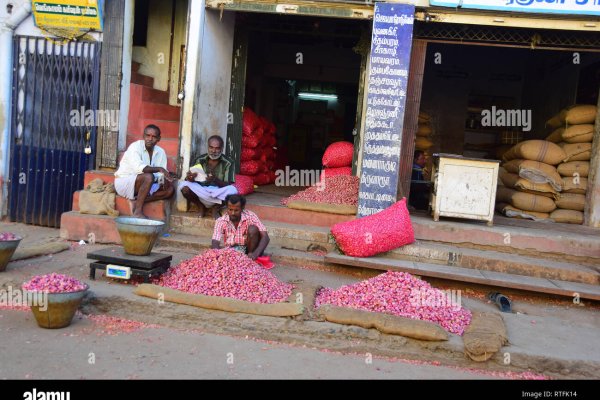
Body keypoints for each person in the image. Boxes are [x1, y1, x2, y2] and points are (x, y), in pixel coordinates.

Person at [114, 124, 175, 218]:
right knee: (148, 176)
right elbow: (140, 169)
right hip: (124, 182)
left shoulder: (161, 152)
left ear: (159, 139)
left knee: (170, 190)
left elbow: (160, 175)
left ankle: (136, 202)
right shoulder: (135, 147)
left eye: (154, 137)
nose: (150, 139)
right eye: (148, 135)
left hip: (145, 185)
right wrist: (160, 169)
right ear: (143, 136)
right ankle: (138, 212)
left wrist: (164, 181)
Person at [179, 135, 238, 219]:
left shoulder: (229, 162)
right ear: (208, 147)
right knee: (185, 187)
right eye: (211, 147)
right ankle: (200, 206)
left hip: (218, 192)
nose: (213, 151)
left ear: (222, 148)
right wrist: (190, 178)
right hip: (201, 191)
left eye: (217, 148)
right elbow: (189, 179)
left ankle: (216, 208)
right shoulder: (199, 159)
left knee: (233, 190)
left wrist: (215, 180)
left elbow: (228, 185)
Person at [211, 194, 269, 260]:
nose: (232, 213)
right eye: (230, 209)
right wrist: (217, 255)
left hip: (250, 249)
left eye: (236, 210)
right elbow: (215, 240)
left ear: (242, 208)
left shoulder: (250, 216)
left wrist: (255, 254)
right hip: (232, 249)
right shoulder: (221, 221)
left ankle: (250, 256)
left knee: (253, 229)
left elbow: (265, 237)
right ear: (227, 208)